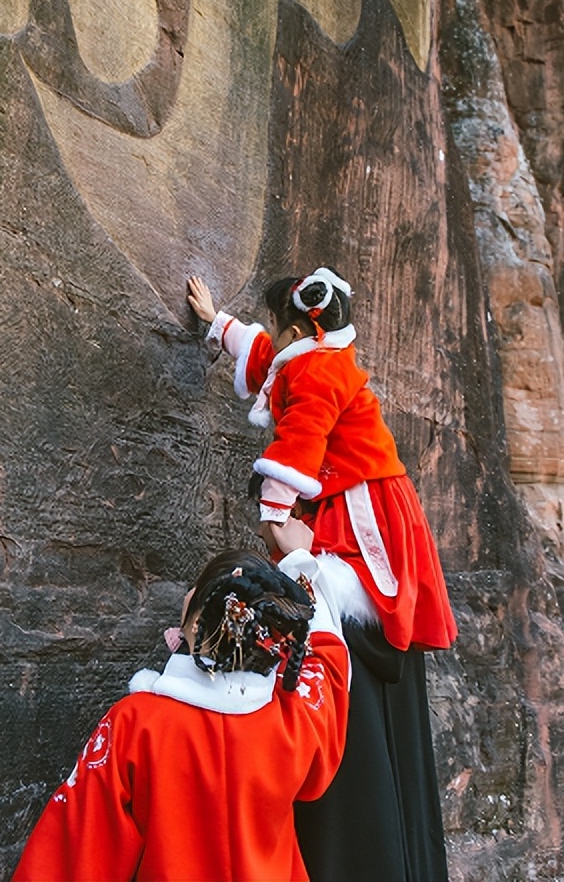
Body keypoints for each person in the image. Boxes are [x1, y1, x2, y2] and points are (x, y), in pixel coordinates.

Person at [188, 268, 456, 881]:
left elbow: (298, 447)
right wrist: (218, 325)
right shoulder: (308, 357)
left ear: (296, 331)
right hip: (349, 500)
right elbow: (266, 357)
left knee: (351, 593)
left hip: (365, 510)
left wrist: (275, 519)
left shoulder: (318, 372)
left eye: (276, 328)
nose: (272, 339)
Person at [12, 528, 350, 882]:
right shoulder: (292, 722)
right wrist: (299, 563)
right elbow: (328, 663)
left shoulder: (137, 723)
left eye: (195, 587)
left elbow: (75, 849)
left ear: (201, 616)